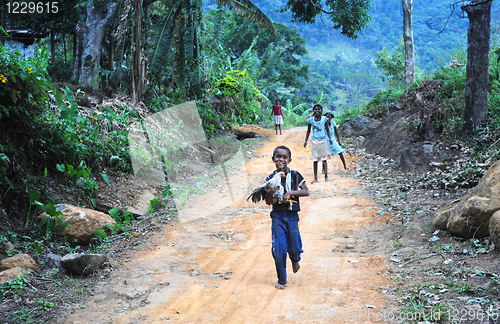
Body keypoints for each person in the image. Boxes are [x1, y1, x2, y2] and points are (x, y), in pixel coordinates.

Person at [265, 146, 310, 290]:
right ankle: (282, 279)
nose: (281, 159)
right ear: (273, 159)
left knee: (295, 246)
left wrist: (290, 193)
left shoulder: (296, 175)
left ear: (289, 160)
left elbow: (306, 192)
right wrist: (270, 192)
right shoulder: (270, 179)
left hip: (292, 216)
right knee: (278, 248)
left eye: (284, 157)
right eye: (278, 156)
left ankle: (295, 258)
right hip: (277, 216)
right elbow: (267, 201)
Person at [303, 104, 333, 183]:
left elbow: (327, 129)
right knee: (315, 160)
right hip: (314, 142)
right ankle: (315, 178)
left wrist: (330, 138)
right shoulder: (311, 120)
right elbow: (308, 131)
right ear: (313, 110)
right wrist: (306, 141)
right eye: (315, 109)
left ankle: (326, 177)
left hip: (323, 141)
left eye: (319, 109)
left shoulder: (324, 119)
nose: (317, 111)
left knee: (324, 160)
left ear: (321, 110)